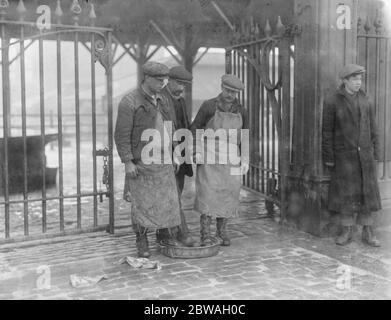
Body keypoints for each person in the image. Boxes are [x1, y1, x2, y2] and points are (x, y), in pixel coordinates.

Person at [114, 61, 181, 258]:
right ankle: (141, 240)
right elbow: (121, 134)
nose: (163, 83)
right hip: (142, 161)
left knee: (165, 201)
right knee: (142, 203)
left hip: (163, 158)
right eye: (159, 80)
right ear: (147, 78)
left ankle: (163, 235)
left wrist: (176, 152)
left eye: (165, 80)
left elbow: (170, 127)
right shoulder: (129, 102)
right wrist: (127, 161)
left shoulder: (163, 100)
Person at [322, 64, 382, 247]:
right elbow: (326, 131)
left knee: (366, 195)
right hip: (344, 157)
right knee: (346, 195)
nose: (358, 83)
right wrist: (329, 157)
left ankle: (367, 231)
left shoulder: (366, 100)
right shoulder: (333, 100)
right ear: (345, 80)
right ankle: (346, 230)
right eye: (354, 79)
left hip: (364, 156)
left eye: (360, 79)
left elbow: (373, 128)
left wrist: (376, 152)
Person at [190, 74, 249, 246]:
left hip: (231, 159)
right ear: (221, 87)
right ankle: (206, 234)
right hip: (209, 158)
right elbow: (195, 129)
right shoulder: (209, 106)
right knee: (207, 194)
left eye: (234, 92)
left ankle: (222, 231)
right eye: (228, 90)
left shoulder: (242, 111)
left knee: (228, 194)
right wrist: (196, 151)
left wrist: (245, 159)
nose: (230, 94)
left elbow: (245, 136)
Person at [157, 65, 196, 247]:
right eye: (179, 83)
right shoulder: (160, 99)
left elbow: (184, 126)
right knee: (171, 196)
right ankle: (181, 232)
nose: (182, 88)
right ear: (169, 81)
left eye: (184, 85)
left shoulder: (179, 100)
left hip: (180, 155)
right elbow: (161, 130)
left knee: (175, 194)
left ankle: (164, 233)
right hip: (165, 155)